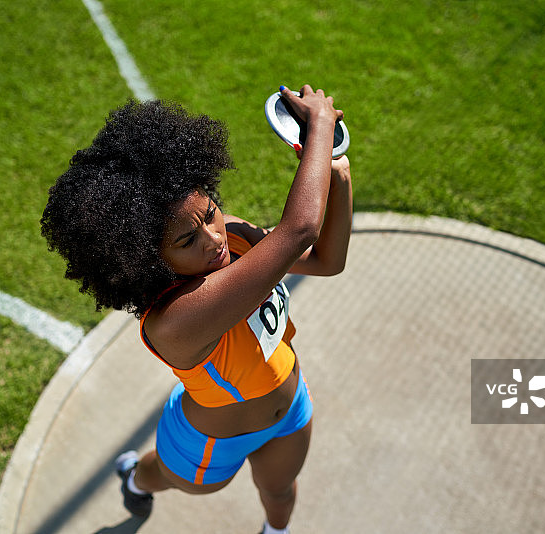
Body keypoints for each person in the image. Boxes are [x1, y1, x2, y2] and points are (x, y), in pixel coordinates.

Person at [40, 85, 352, 534]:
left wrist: (338, 178)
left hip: (290, 407)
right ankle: (135, 477)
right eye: (187, 241)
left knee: (280, 491)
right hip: (207, 443)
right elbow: (300, 229)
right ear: (147, 260)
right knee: (164, 476)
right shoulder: (175, 321)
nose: (214, 239)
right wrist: (320, 128)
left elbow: (326, 260)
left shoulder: (237, 240)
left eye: (211, 214)